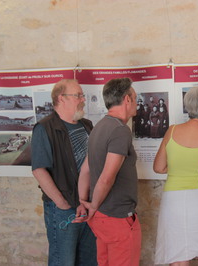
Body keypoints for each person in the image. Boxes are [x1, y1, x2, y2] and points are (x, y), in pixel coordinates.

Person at [153, 86, 198, 265]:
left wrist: (180, 169)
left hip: (173, 200)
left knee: (178, 256)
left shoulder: (171, 131)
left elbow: (159, 167)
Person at [74, 78, 141, 266]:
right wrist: (92, 206)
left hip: (102, 217)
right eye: (135, 98)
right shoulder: (120, 130)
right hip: (117, 217)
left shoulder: (100, 126)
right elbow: (107, 177)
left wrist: (83, 201)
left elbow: (85, 170)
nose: (137, 102)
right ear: (127, 99)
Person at [31, 79, 97, 266]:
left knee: (89, 260)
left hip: (88, 206)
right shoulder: (45, 128)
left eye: (82, 95)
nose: (83, 99)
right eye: (78, 95)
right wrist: (61, 203)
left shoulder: (87, 125)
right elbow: (39, 169)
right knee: (63, 261)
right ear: (62, 98)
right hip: (64, 209)